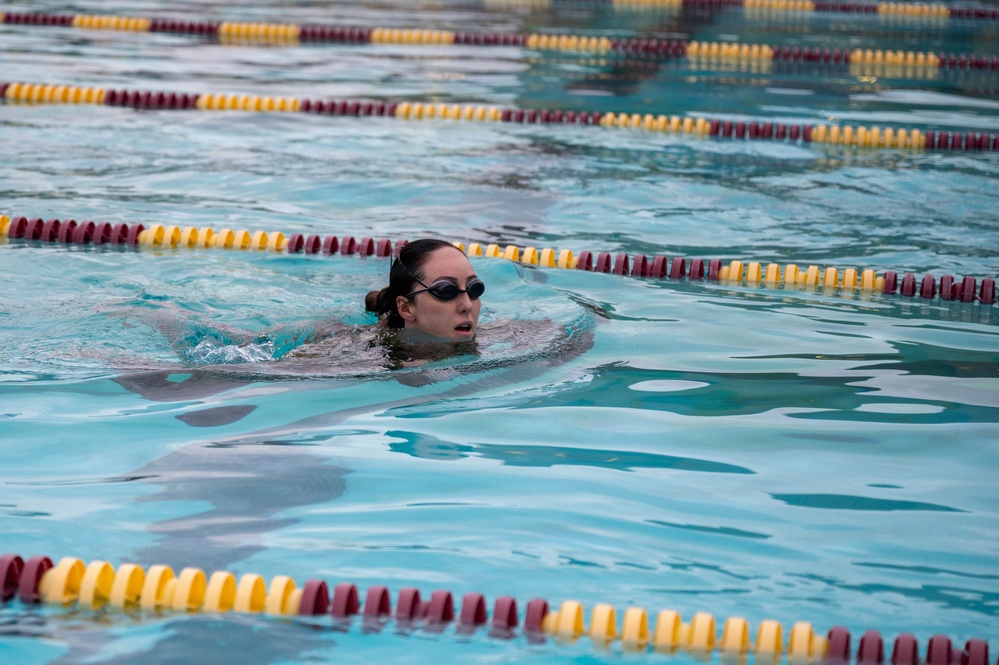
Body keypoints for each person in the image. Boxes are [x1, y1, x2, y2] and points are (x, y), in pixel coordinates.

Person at [365, 238, 485, 342]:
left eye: (474, 289)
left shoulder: (500, 342)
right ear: (406, 308)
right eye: (446, 291)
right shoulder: (363, 355)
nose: (467, 305)